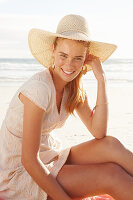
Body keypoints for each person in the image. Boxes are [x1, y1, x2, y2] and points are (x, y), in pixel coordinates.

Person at [0, 14, 133, 200]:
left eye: (78, 58)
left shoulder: (73, 87)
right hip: (20, 173)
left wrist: (101, 80)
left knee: (111, 145)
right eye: (63, 55)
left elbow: (99, 133)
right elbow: (28, 160)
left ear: (86, 58)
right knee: (112, 175)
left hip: (47, 156)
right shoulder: (38, 89)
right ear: (53, 50)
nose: (69, 65)